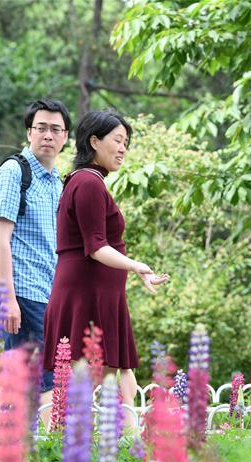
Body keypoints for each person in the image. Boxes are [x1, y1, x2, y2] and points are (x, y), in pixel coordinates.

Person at [42, 110, 168, 432]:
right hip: (86, 291)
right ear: (94, 141)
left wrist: (132, 271)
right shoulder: (87, 183)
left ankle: (128, 435)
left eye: (126, 142)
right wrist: (137, 266)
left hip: (101, 292)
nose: (123, 149)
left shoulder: (89, 182)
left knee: (119, 365)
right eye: (117, 140)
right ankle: (59, 439)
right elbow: (96, 246)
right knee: (81, 371)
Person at [0, 98, 71, 414]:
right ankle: (37, 455)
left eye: (56, 129)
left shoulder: (56, 181)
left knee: (29, 383)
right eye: (41, 128)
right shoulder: (14, 172)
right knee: (44, 386)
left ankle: (14, 450)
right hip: (23, 294)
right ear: (29, 133)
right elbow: (0, 238)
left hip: (50, 295)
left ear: (65, 137)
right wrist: (6, 298)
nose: (48, 136)